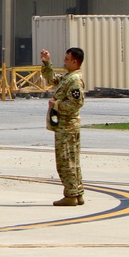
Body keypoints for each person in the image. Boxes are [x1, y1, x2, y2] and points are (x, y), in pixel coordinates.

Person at [42, 47, 86, 206]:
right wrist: (47, 62)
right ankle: (77, 192)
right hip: (64, 126)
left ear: (75, 62)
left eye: (67, 59)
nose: (64, 61)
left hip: (67, 127)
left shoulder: (74, 80)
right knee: (72, 161)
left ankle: (71, 195)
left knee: (65, 161)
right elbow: (53, 79)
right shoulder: (69, 77)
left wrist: (57, 105)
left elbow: (76, 104)